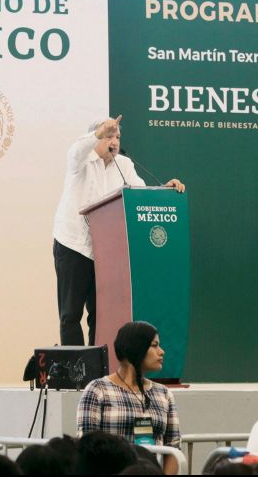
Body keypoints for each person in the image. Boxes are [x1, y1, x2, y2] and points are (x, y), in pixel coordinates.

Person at [53, 115, 185, 345]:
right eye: (108, 136)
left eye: (117, 136)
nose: (114, 141)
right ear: (95, 138)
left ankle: (98, 372)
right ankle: (75, 374)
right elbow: (77, 149)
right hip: (73, 244)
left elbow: (140, 194)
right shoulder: (81, 160)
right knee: (70, 314)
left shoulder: (124, 165)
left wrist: (165, 190)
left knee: (101, 316)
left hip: (106, 251)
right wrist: (99, 131)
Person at [77, 321, 181, 475]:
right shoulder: (98, 390)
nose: (162, 351)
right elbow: (87, 448)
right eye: (154, 345)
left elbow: (173, 449)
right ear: (136, 348)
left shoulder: (163, 394)